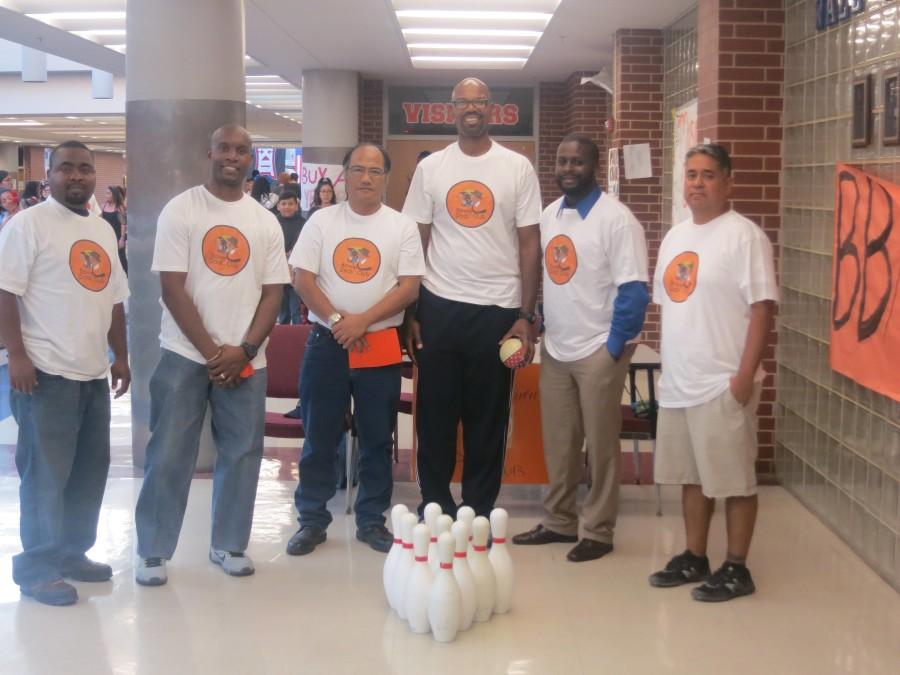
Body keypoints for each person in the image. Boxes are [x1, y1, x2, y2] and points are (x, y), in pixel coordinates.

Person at [134, 124, 289, 586]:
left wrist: (242, 351)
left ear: (250, 160)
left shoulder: (264, 221)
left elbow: (273, 293)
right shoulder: (181, 210)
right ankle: (153, 551)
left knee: (242, 452)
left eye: (242, 150)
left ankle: (229, 544)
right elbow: (171, 286)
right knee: (169, 452)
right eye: (224, 147)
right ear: (210, 151)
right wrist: (210, 351)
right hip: (184, 354)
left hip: (247, 360)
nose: (232, 156)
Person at [402, 77, 542, 518]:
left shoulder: (516, 168)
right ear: (451, 109)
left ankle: (480, 508)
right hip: (439, 306)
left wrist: (526, 314)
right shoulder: (432, 169)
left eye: (479, 102)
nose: (471, 109)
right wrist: (411, 311)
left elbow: (529, 244)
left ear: (492, 109)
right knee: (434, 416)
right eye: (463, 103)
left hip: (498, 311)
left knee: (488, 418)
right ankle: (436, 504)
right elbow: (414, 241)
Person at [0, 140, 130, 606]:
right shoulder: (27, 225)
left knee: (88, 472)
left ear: (96, 175)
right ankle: (37, 569)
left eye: (85, 169)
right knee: (45, 477)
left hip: (91, 372)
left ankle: (73, 553)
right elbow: (6, 291)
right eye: (66, 169)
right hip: (45, 373)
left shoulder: (100, 228)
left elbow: (115, 297)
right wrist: (16, 354)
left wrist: (121, 356)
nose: (76, 177)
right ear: (49, 175)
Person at [649, 143, 777, 602]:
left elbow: (763, 308)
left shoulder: (744, 236)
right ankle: (695, 556)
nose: (697, 183)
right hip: (681, 381)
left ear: (727, 182)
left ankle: (737, 567)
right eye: (691, 175)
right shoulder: (675, 237)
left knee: (735, 479)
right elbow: (673, 308)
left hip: (724, 381)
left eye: (707, 175)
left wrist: (744, 376)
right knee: (691, 476)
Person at [512, 134, 649, 562]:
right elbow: (551, 279)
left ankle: (599, 530)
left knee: (602, 445)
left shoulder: (617, 220)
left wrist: (611, 348)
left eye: (578, 162)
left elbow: (634, 290)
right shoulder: (550, 215)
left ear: (593, 168)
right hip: (557, 348)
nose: (568, 169)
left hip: (598, 351)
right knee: (560, 443)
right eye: (562, 161)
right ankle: (558, 521)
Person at [285, 142, 424, 556]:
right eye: (358, 169)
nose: (366, 178)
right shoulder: (322, 221)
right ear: (345, 174)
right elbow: (302, 279)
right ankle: (312, 520)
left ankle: (371, 520)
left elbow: (409, 287)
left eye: (375, 171)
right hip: (327, 343)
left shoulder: (401, 226)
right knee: (319, 436)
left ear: (385, 178)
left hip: (378, 344)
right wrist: (338, 321)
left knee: (378, 439)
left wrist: (361, 322)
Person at [275, 191, 305, 324]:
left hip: (296, 272)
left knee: (296, 310)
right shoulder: (272, 222)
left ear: (296, 206)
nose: (287, 207)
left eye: (291, 204)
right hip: (277, 271)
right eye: (284, 203)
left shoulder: (304, 223)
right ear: (278, 206)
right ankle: (283, 339)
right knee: (282, 311)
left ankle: (298, 341)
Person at [100, 185, 128, 274]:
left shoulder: (119, 208)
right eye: (106, 193)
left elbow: (123, 224)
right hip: (107, 236)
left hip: (118, 236)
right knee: (108, 256)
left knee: (121, 257)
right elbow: (101, 221)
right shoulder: (103, 206)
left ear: (114, 195)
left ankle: (127, 274)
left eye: (108, 193)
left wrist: (122, 238)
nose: (106, 195)